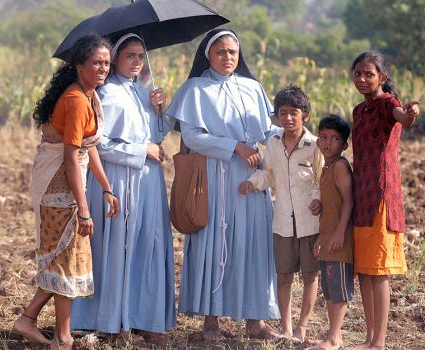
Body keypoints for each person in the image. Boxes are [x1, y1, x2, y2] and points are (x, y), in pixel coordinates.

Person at [165, 29, 280, 340]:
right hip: (213, 180)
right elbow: (192, 137)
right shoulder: (195, 89)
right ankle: (211, 321)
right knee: (214, 244)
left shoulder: (253, 87)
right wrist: (235, 147)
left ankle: (256, 322)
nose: (228, 57)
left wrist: (300, 140)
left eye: (232, 52)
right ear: (208, 55)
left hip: (252, 181)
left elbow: (269, 129)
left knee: (254, 245)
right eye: (220, 52)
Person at [13, 34, 119, 350]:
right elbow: (72, 158)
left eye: (106, 63)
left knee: (64, 259)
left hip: (71, 188)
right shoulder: (75, 101)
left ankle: (29, 319)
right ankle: (62, 338)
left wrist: (106, 187)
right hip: (60, 191)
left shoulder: (88, 96)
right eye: (97, 62)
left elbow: (90, 148)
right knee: (66, 263)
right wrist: (84, 210)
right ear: (78, 66)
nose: (103, 68)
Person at [70, 33, 176, 343]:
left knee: (148, 244)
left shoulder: (143, 93)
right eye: (130, 55)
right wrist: (141, 151)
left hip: (147, 183)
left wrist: (159, 111)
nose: (137, 62)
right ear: (115, 59)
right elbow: (97, 145)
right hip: (115, 181)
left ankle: (144, 317)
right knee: (117, 249)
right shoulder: (104, 94)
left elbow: (156, 137)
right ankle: (111, 321)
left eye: (141, 56)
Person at [239, 85, 323, 343]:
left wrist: (318, 200)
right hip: (283, 222)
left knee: (310, 276)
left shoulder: (315, 146)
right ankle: (286, 329)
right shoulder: (273, 144)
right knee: (284, 276)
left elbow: (323, 179)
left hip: (310, 223)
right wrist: (252, 183)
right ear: (276, 116)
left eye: (293, 113)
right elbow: (268, 173)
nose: (287, 118)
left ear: (305, 115)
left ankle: (302, 327)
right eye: (282, 113)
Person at [349, 50, 420, 350]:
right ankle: (368, 337)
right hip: (361, 197)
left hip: (381, 197)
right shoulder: (358, 111)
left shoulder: (388, 104)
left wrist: (412, 114)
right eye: (358, 74)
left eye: (369, 74)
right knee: (364, 271)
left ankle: (379, 342)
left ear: (383, 78)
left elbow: (404, 118)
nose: (363, 79)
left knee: (379, 274)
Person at [309, 115, 354, 350]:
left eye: (335, 139)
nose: (328, 143)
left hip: (340, 239)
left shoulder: (340, 166)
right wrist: (322, 236)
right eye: (324, 137)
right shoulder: (325, 167)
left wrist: (338, 233)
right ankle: (332, 335)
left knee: (338, 290)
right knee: (328, 289)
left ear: (344, 145)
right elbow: (331, 205)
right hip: (327, 237)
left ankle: (334, 337)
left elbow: (348, 202)